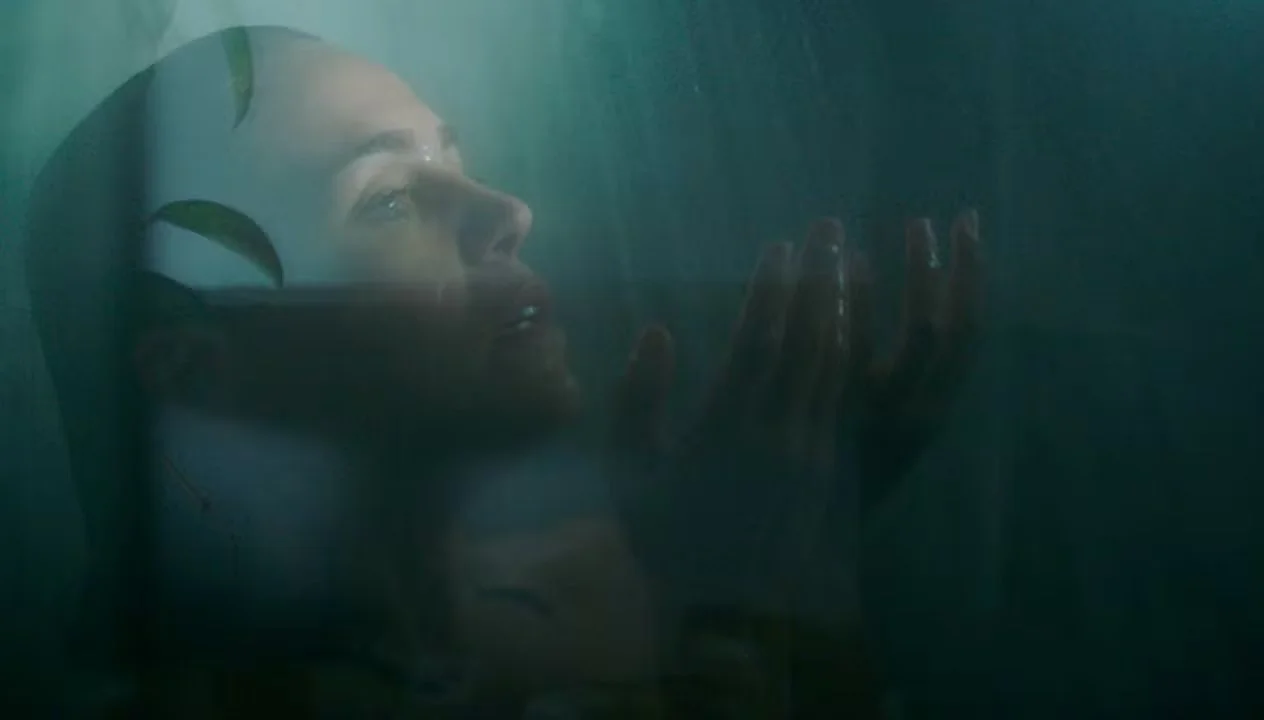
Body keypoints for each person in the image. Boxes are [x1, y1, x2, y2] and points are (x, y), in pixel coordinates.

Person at [24, 25, 980, 717]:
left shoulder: (610, 571)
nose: (506, 211)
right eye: (390, 200)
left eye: (457, 158)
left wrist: (768, 547)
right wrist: (754, 597)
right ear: (195, 373)